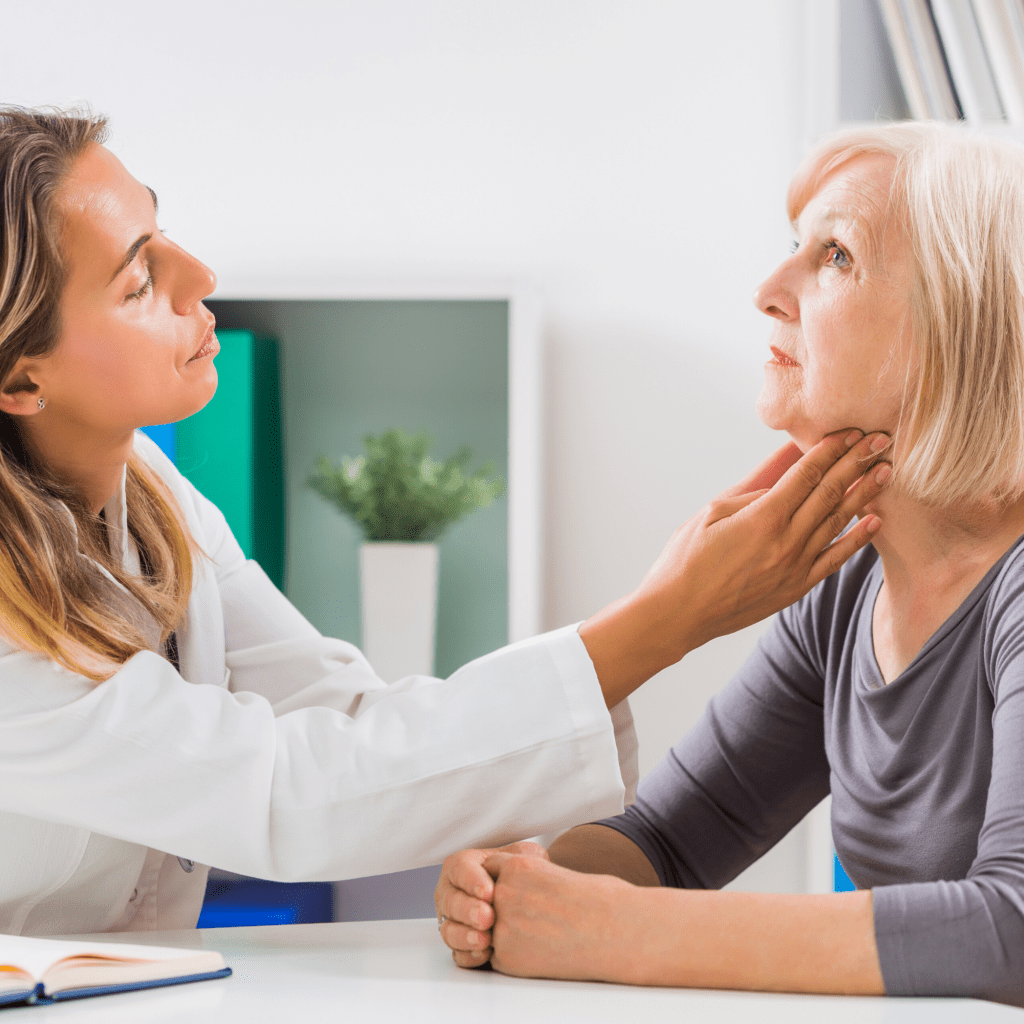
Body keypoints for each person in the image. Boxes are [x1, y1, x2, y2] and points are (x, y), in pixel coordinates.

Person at [0, 105, 888, 939]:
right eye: (138, 279)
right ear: (22, 382)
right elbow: (284, 793)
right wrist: (671, 614)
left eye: (161, 229)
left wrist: (529, 871)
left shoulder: (149, 490)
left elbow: (345, 718)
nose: (200, 276)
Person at [436, 121, 1024, 1008]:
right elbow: (670, 843)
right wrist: (520, 885)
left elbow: (1011, 932)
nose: (767, 291)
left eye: (834, 256)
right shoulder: (848, 585)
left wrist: (606, 930)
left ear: (962, 320)